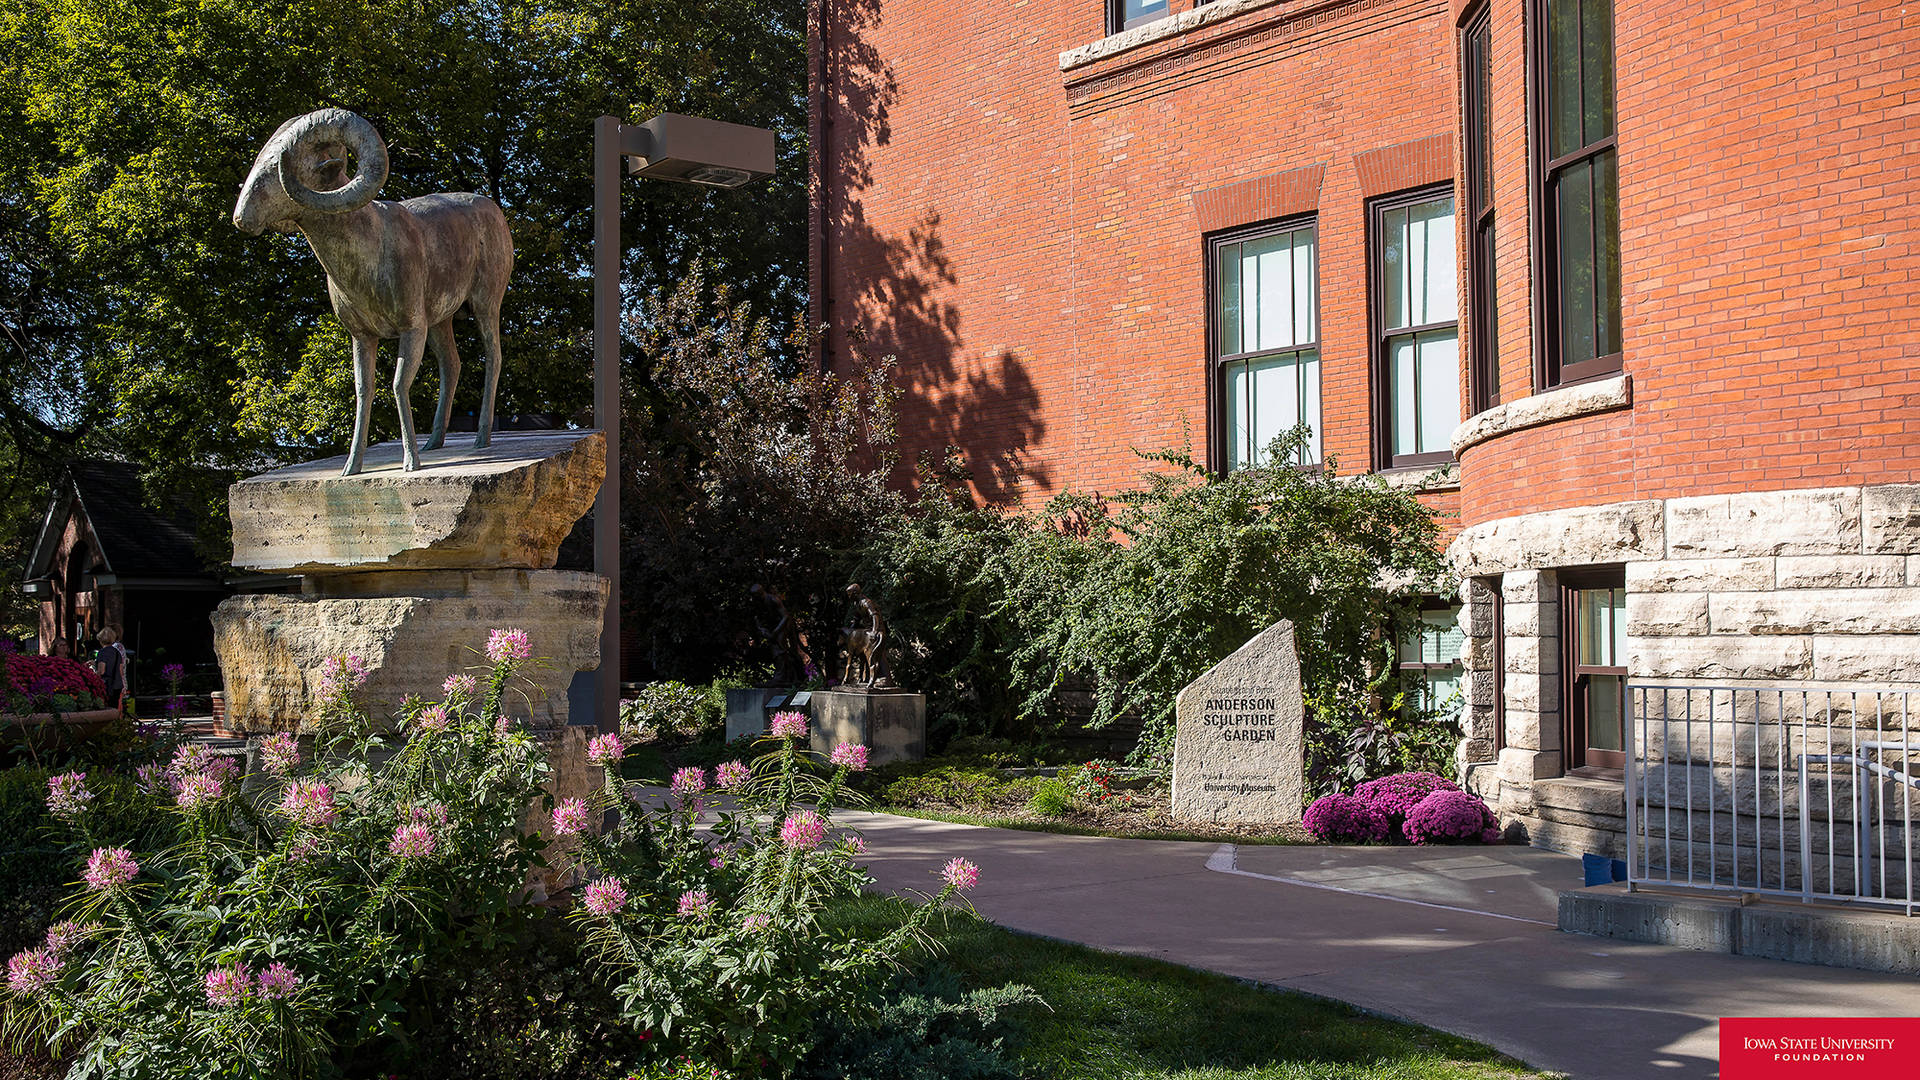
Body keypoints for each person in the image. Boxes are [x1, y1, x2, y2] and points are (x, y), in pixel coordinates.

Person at [94, 626, 131, 714]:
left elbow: (101, 670)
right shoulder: (117, 651)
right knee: (116, 708)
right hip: (118, 685)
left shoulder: (102, 652)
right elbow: (121, 669)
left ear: (101, 640)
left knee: (105, 709)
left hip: (107, 685)